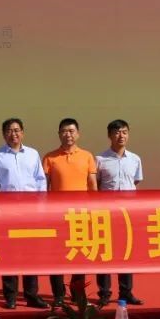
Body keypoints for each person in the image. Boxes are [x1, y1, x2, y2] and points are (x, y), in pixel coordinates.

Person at [0, 118, 49, 309]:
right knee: (9, 255)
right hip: (7, 212)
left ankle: (31, 295)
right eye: (9, 130)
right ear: (3, 134)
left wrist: (40, 207)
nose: (13, 134)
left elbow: (40, 181)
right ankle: (10, 296)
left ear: (22, 132)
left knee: (31, 255)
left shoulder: (32, 154)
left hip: (30, 212)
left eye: (16, 130)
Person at [42, 118, 98, 307]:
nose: (68, 134)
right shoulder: (50, 157)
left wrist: (94, 209)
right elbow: (44, 188)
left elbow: (92, 185)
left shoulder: (87, 156)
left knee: (79, 255)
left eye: (72, 131)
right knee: (56, 256)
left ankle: (77, 293)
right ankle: (58, 295)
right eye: (64, 131)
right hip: (57, 215)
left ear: (78, 134)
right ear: (59, 134)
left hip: (81, 215)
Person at [95, 119, 144, 306]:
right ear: (109, 135)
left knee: (126, 252)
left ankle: (126, 292)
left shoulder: (135, 159)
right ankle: (104, 293)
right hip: (106, 214)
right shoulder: (100, 159)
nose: (121, 136)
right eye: (116, 132)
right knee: (105, 254)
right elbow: (97, 185)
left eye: (124, 132)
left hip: (127, 214)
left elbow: (135, 181)